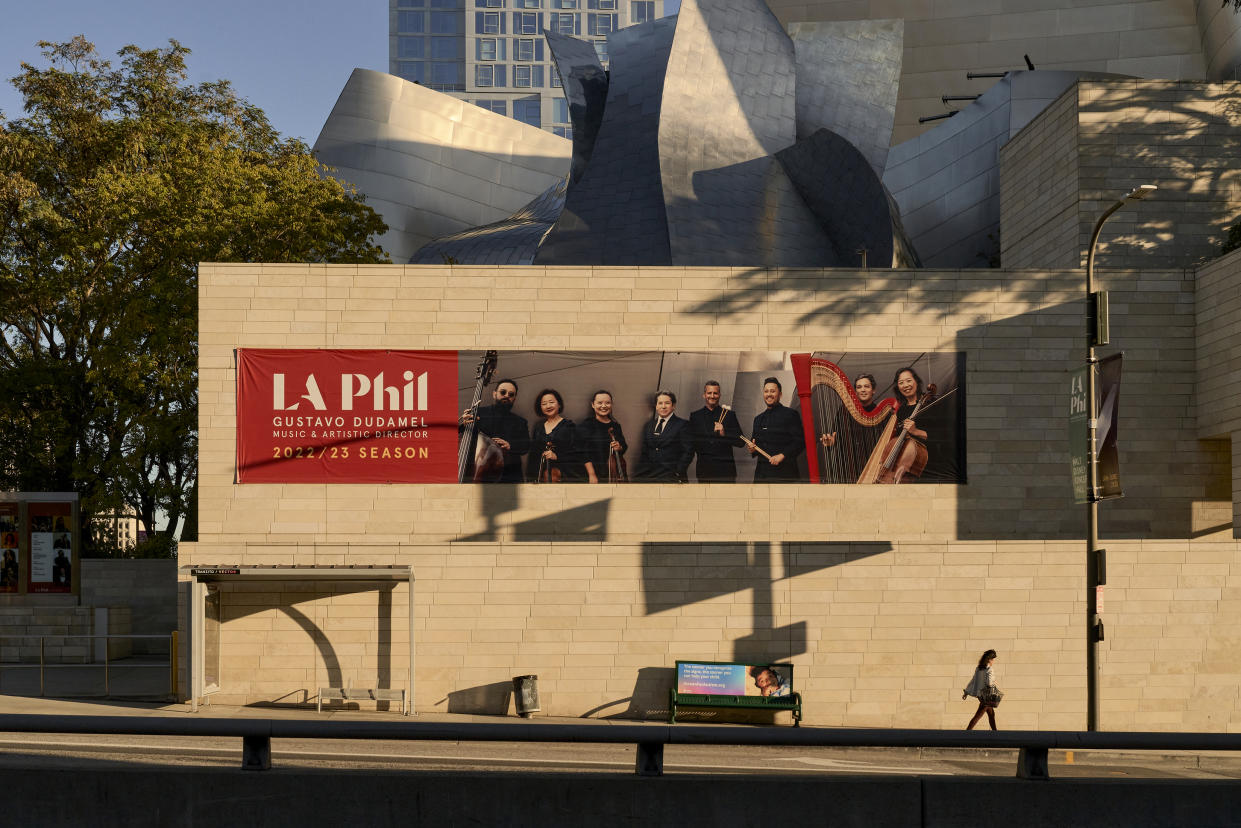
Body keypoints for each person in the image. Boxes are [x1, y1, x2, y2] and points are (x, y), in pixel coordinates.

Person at [459, 378, 531, 483]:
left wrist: (510, 445)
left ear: (514, 398)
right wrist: (463, 424)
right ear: (494, 394)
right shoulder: (478, 413)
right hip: (479, 472)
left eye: (511, 394)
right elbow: (462, 436)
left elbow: (526, 446)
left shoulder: (520, 422)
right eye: (503, 392)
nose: (506, 395)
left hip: (509, 476)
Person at [687, 380, 744, 482]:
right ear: (704, 395)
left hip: (726, 471)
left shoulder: (729, 415)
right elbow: (691, 443)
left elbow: (741, 442)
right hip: (704, 470)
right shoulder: (695, 416)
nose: (712, 396)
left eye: (715, 393)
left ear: (720, 395)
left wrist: (724, 434)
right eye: (709, 393)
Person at [750, 377, 805, 482]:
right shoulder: (758, 419)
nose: (769, 394)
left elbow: (800, 441)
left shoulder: (790, 414)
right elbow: (754, 442)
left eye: (773, 391)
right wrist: (752, 449)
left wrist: (782, 455)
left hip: (785, 473)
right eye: (766, 391)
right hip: (762, 475)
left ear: (780, 394)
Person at [527, 389, 584, 482]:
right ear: (540, 407)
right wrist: (531, 478)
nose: (548, 406)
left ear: (559, 404)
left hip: (564, 476)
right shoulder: (538, 428)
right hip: (542, 478)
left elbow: (577, 454)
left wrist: (557, 456)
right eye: (544, 404)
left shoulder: (569, 426)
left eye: (551, 402)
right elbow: (533, 457)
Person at [634, 391, 691, 482]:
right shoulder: (648, 425)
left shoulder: (682, 424)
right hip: (649, 476)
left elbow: (688, 452)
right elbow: (644, 451)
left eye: (667, 403)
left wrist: (677, 472)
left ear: (673, 406)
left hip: (672, 476)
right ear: (656, 406)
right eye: (660, 403)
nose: (663, 406)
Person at [579, 390, 629, 483]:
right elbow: (583, 452)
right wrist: (592, 474)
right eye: (600, 403)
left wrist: (619, 447)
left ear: (611, 405)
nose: (604, 406)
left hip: (613, 472)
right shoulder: (587, 425)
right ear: (593, 405)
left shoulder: (615, 425)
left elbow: (624, 446)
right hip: (594, 473)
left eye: (607, 403)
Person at [819, 372, 880, 449]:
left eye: (867, 386)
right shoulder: (844, 411)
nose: (863, 390)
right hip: (851, 458)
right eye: (859, 387)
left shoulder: (880, 412)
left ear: (873, 390)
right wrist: (831, 442)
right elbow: (834, 436)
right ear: (855, 392)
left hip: (876, 457)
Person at [963, 649, 999, 730]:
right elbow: (989, 683)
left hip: (981, 696)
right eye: (993, 659)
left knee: (991, 714)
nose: (993, 661)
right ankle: (966, 733)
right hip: (987, 697)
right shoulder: (990, 670)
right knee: (978, 716)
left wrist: (966, 692)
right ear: (989, 660)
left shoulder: (978, 669)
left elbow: (973, 680)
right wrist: (993, 685)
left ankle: (995, 733)